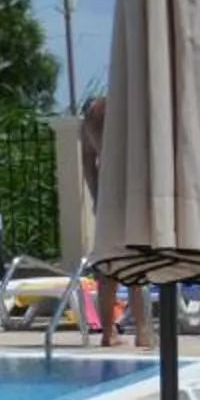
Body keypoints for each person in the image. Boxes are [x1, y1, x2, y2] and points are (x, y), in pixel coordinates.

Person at [80, 95, 151, 350]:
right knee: (138, 264)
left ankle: (108, 332)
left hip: (107, 196)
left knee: (107, 267)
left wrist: (98, 198)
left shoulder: (91, 115)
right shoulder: (129, 109)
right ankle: (143, 331)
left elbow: (89, 165)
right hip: (135, 192)